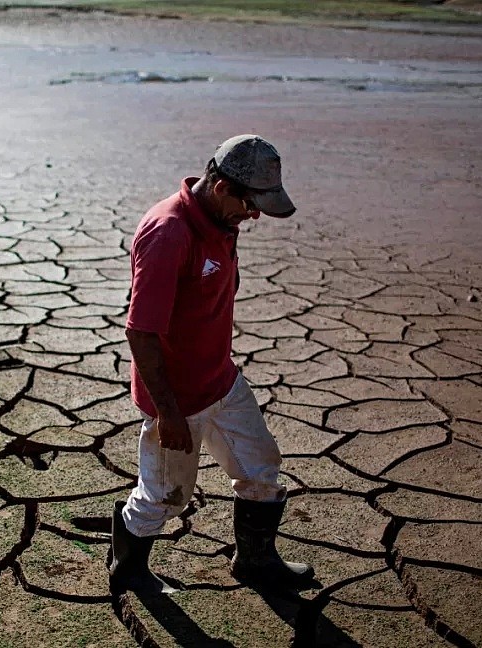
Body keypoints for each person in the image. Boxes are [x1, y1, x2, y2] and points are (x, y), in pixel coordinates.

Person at [109, 134, 314, 594]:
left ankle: (255, 563)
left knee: (262, 468)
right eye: (251, 203)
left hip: (222, 383)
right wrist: (168, 413)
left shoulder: (222, 220)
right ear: (222, 187)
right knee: (166, 498)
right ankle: (127, 568)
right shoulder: (169, 233)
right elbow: (141, 332)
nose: (255, 214)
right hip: (178, 399)